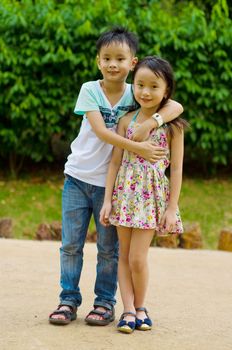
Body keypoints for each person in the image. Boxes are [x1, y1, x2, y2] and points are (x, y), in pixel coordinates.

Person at [49, 27, 183, 326]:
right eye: (107, 58)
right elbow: (101, 132)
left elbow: (175, 104)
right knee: (71, 245)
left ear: (132, 62)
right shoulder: (89, 89)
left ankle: (105, 303)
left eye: (119, 58)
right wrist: (140, 146)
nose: (113, 64)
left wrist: (153, 123)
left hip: (113, 187)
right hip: (78, 176)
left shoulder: (136, 91)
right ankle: (68, 300)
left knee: (109, 250)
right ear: (98, 61)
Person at [100, 56, 188, 333]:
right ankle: (127, 309)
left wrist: (172, 207)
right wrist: (107, 199)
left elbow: (176, 170)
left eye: (153, 86)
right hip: (125, 195)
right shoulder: (126, 121)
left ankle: (141, 305)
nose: (145, 92)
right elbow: (115, 162)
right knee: (123, 256)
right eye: (140, 85)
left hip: (151, 197)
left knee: (138, 258)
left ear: (166, 91)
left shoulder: (173, 126)